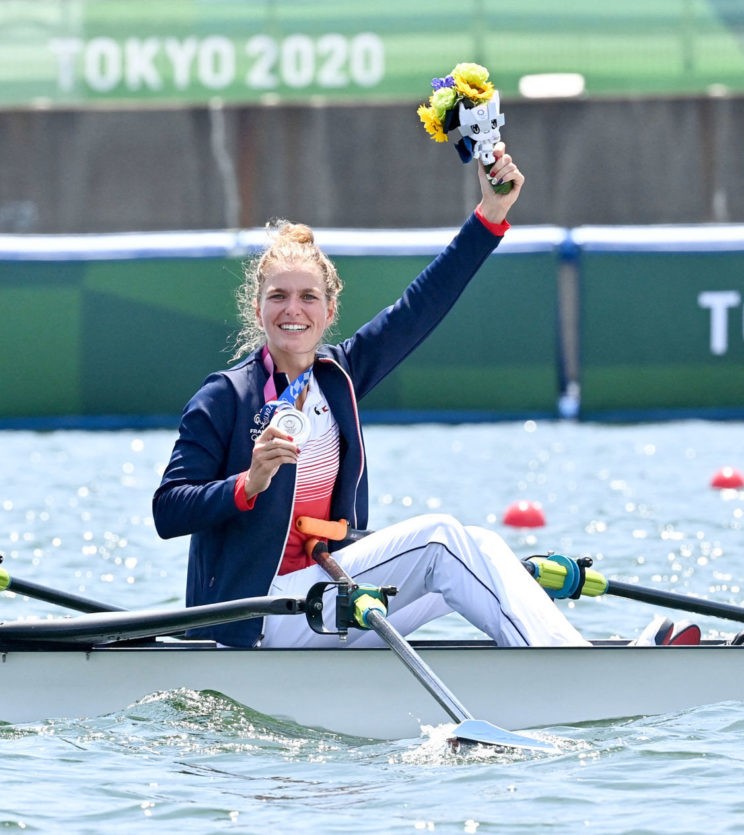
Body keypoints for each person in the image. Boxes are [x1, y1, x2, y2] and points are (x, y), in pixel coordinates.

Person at [152, 143, 591, 650]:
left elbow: (420, 307)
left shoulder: (342, 375)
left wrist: (491, 215)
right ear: (257, 309)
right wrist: (247, 484)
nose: (292, 310)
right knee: (440, 542)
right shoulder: (225, 396)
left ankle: (562, 654)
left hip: (328, 595)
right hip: (255, 615)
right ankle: (564, 668)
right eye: (278, 296)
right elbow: (168, 510)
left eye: (307, 296)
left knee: (482, 545)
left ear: (329, 308)